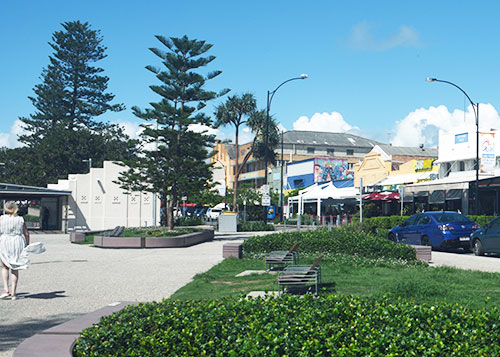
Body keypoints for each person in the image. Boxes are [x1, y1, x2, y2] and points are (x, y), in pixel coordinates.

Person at [0, 201, 41, 300]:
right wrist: (27, 244)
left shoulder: (1, 218)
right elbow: (26, 233)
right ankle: (14, 293)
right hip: (17, 242)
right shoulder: (20, 219)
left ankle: (6, 289)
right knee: (15, 267)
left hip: (5, 241)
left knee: (5, 267)